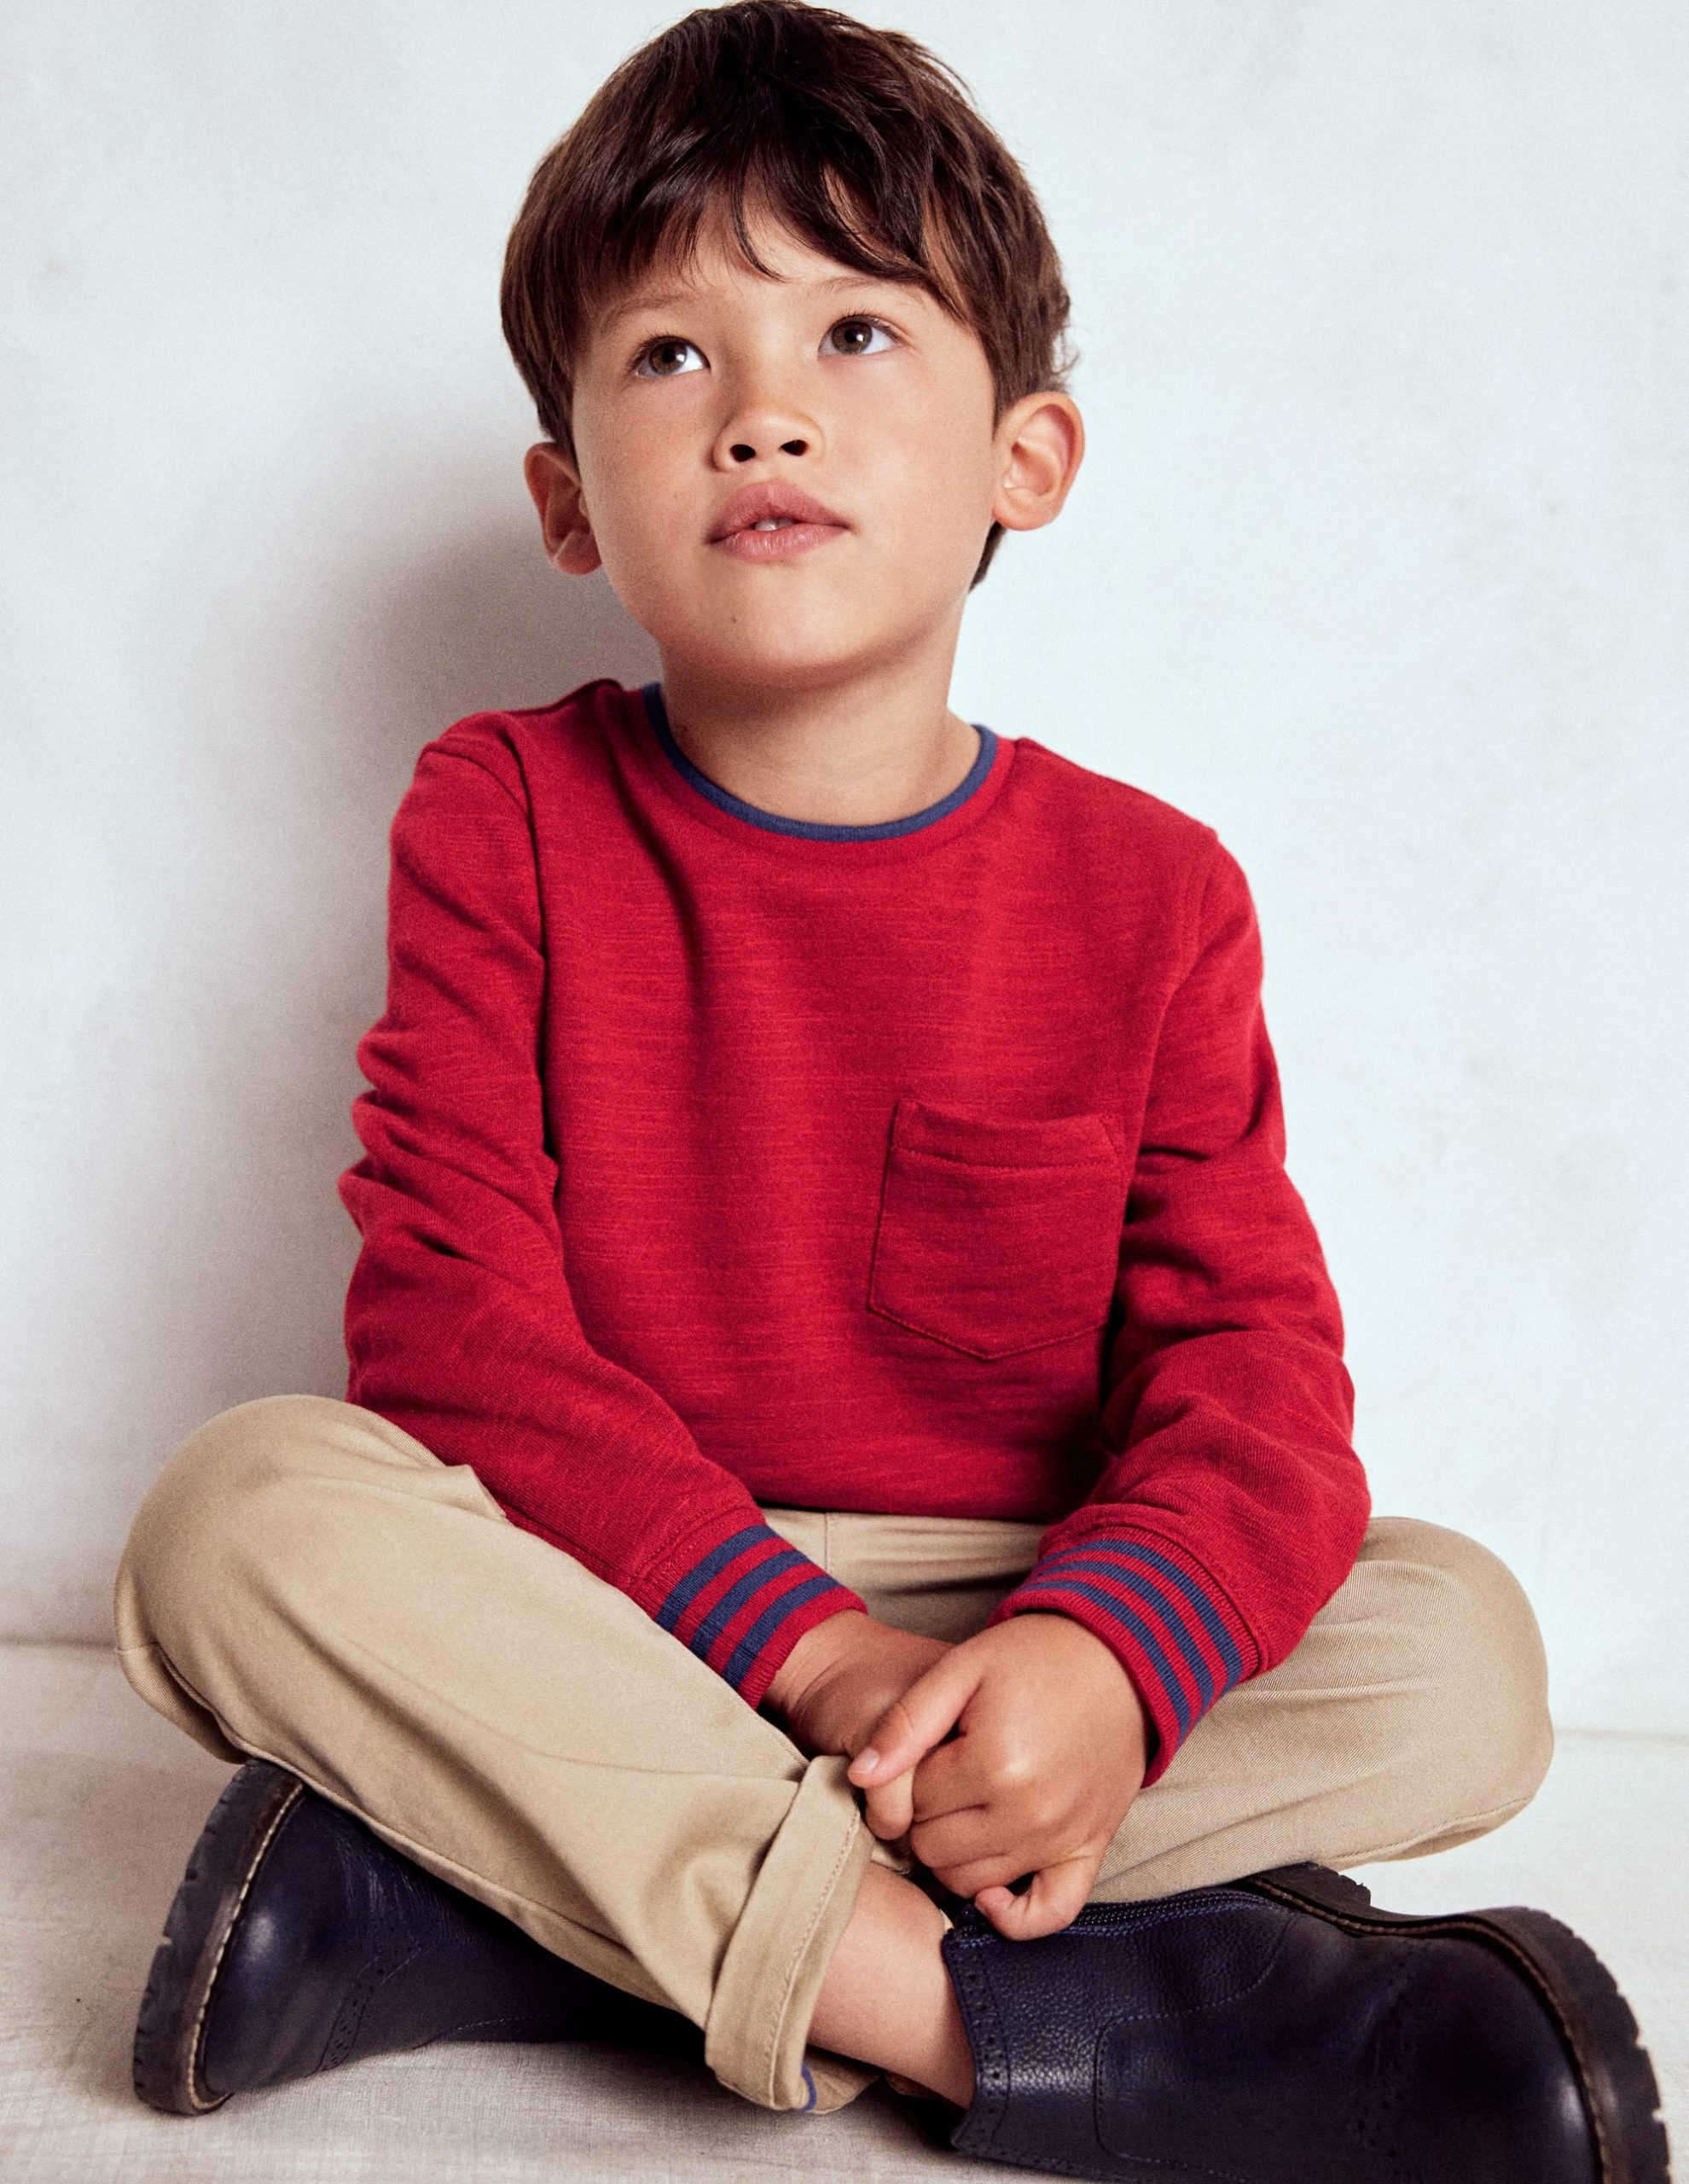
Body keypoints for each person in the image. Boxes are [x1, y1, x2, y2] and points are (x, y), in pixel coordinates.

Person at [113, 5, 1669, 2179]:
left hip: (1006, 1615)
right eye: (672, 355)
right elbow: (453, 1335)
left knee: (1461, 1656)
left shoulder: (1154, 891)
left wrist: (1102, 1666)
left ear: (1029, 458)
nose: (762, 411)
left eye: (855, 333)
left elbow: (1250, 1379)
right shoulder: (503, 811)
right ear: (567, 502)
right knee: (235, 1518)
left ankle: (510, 1899)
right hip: (618, 1600)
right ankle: (990, 2015)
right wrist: (812, 1658)